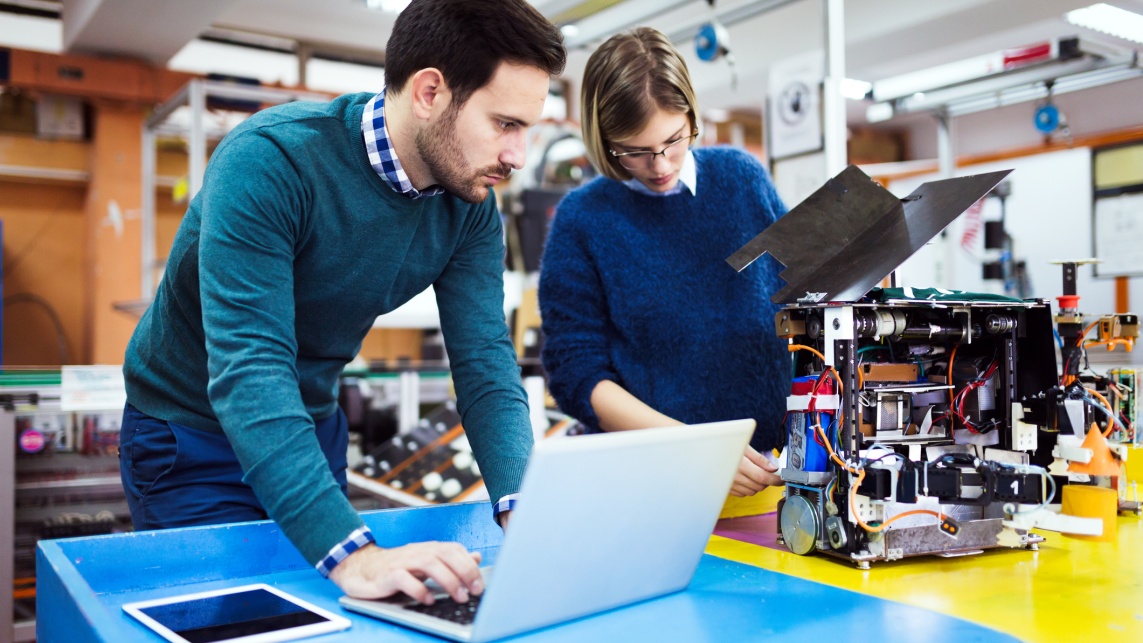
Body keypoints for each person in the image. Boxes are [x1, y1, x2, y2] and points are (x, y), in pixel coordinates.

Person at [119, 0, 564, 606]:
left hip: (308, 428)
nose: (516, 156)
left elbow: (486, 362)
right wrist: (354, 556)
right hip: (191, 432)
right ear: (430, 91)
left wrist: (524, 513)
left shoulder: (469, 207)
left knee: (332, 613)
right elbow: (250, 368)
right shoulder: (272, 162)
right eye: (505, 124)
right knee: (232, 617)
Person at [538, 27, 789, 498]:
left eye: (675, 139)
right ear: (603, 138)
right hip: (654, 487)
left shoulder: (742, 179)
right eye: (634, 151)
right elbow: (576, 373)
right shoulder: (583, 219)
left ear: (692, 113)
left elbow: (805, 302)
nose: (660, 165)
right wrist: (695, 448)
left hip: (775, 479)